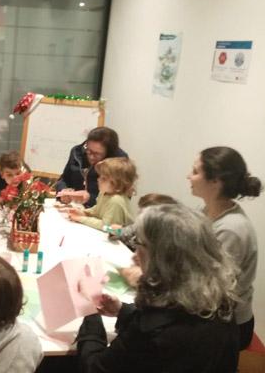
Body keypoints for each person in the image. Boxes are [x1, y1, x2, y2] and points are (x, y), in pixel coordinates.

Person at [77, 204, 240, 373]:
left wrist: (90, 311)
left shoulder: (151, 330)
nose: (134, 255)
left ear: (162, 257)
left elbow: (94, 367)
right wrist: (122, 310)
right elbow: (177, 321)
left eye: (138, 244)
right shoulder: (221, 301)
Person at [188, 146, 261, 350]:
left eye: (195, 171)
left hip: (226, 325)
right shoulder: (204, 211)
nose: (189, 176)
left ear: (215, 181)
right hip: (207, 313)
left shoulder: (231, 230)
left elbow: (213, 291)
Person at [109, 193, 178, 288]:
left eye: (144, 215)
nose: (140, 218)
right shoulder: (140, 226)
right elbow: (127, 231)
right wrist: (118, 231)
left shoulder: (168, 243)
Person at [56, 126, 127, 207]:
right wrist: (63, 190)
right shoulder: (77, 152)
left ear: (108, 153)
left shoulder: (119, 162)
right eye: (89, 151)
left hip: (101, 213)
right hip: (74, 208)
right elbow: (64, 179)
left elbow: (120, 199)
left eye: (97, 154)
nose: (91, 157)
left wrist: (89, 198)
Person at [67, 157, 137, 231]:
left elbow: (107, 226)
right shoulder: (104, 193)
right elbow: (98, 210)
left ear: (118, 184)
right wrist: (84, 212)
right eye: (99, 176)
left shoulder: (116, 201)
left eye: (104, 178)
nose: (98, 179)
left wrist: (80, 218)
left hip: (121, 240)